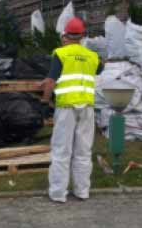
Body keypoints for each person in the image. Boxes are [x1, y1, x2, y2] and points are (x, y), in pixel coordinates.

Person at [41, 17, 102, 203]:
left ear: (65, 35)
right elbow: (96, 70)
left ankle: (58, 193)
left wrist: (44, 100)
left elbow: (52, 81)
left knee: (61, 151)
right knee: (83, 151)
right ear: (82, 35)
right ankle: (82, 191)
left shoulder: (61, 53)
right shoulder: (92, 56)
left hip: (67, 107)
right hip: (87, 108)